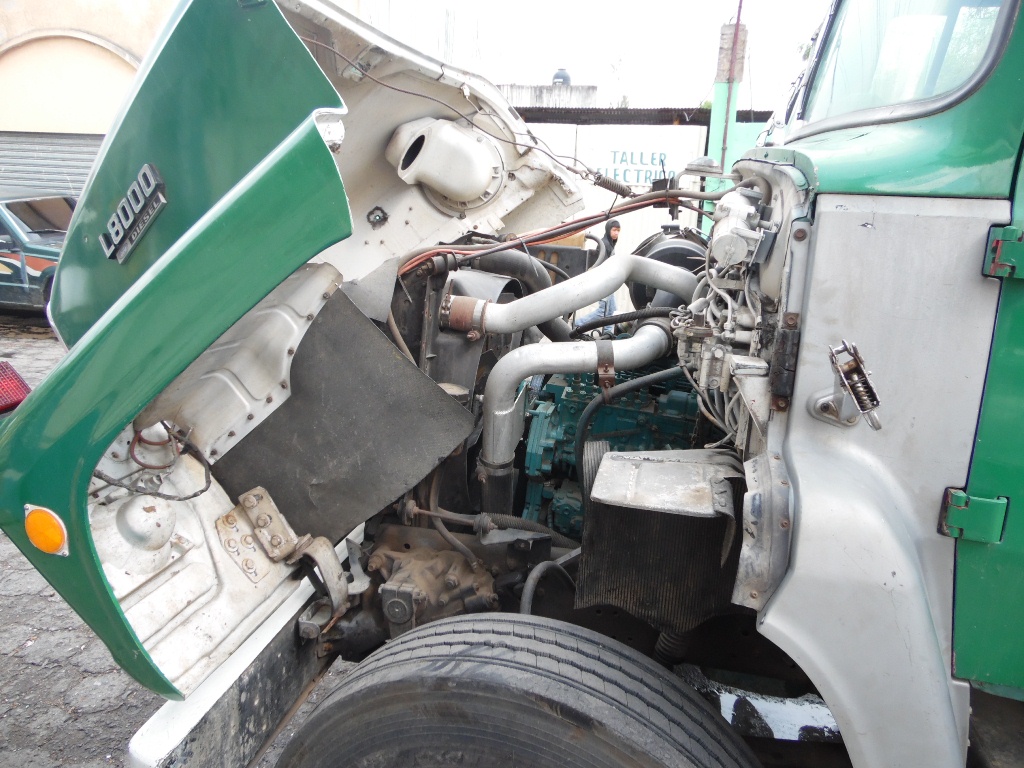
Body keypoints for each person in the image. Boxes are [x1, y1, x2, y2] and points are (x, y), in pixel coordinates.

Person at [575, 220, 620, 332]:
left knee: (612, 311)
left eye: (618, 231)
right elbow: (602, 267)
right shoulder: (604, 244)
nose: (616, 233)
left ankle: (608, 334)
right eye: (614, 230)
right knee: (602, 312)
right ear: (608, 230)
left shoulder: (610, 244)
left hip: (610, 282)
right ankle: (577, 325)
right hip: (604, 282)